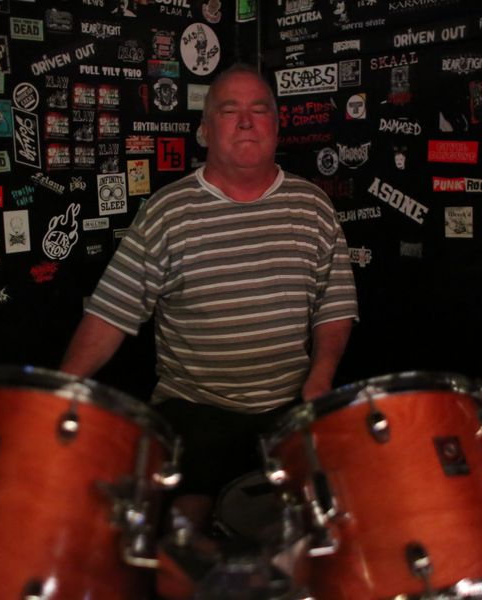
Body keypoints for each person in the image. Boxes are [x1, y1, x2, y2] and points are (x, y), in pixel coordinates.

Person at [60, 64, 358, 533]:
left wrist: (320, 378)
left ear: (277, 126)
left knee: (322, 525)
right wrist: (56, 396)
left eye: (259, 110)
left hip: (289, 407)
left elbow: (334, 306)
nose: (246, 122)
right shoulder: (168, 211)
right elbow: (110, 315)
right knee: (186, 529)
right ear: (205, 130)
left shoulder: (312, 205)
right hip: (194, 410)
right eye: (229, 110)